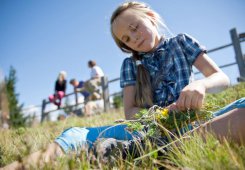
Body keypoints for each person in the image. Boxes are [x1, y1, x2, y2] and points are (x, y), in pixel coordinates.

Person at [3, 1, 245, 169]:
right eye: (127, 39)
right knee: (77, 133)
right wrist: (157, 118)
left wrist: (201, 86)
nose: (134, 38)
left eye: (134, 27)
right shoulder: (131, 66)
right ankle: (23, 166)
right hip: (146, 129)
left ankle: (154, 149)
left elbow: (220, 78)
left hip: (192, 122)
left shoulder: (182, 42)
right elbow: (130, 112)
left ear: (150, 17)